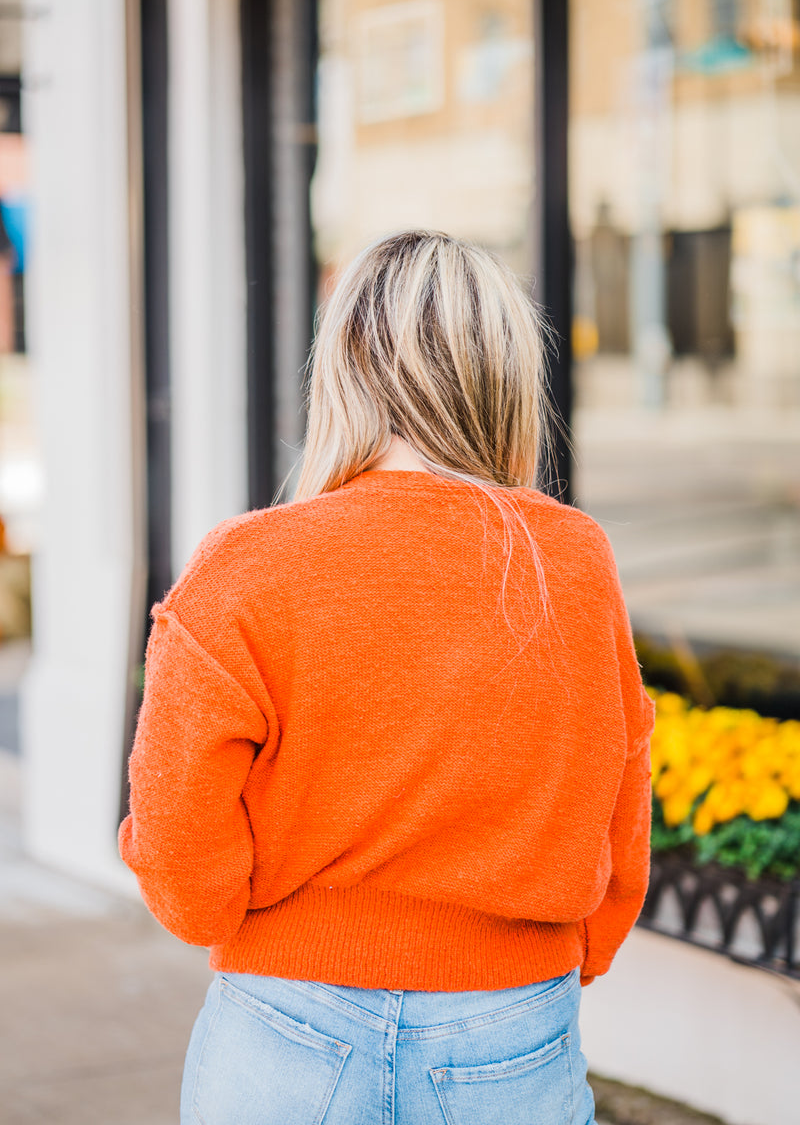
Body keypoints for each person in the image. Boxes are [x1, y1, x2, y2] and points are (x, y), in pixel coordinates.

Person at [119, 229, 655, 1125]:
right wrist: (580, 947)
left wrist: (223, 912)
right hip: (510, 1021)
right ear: (507, 375)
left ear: (342, 373)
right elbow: (621, 778)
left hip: (283, 1022)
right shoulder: (570, 558)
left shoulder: (249, 563)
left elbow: (178, 837)